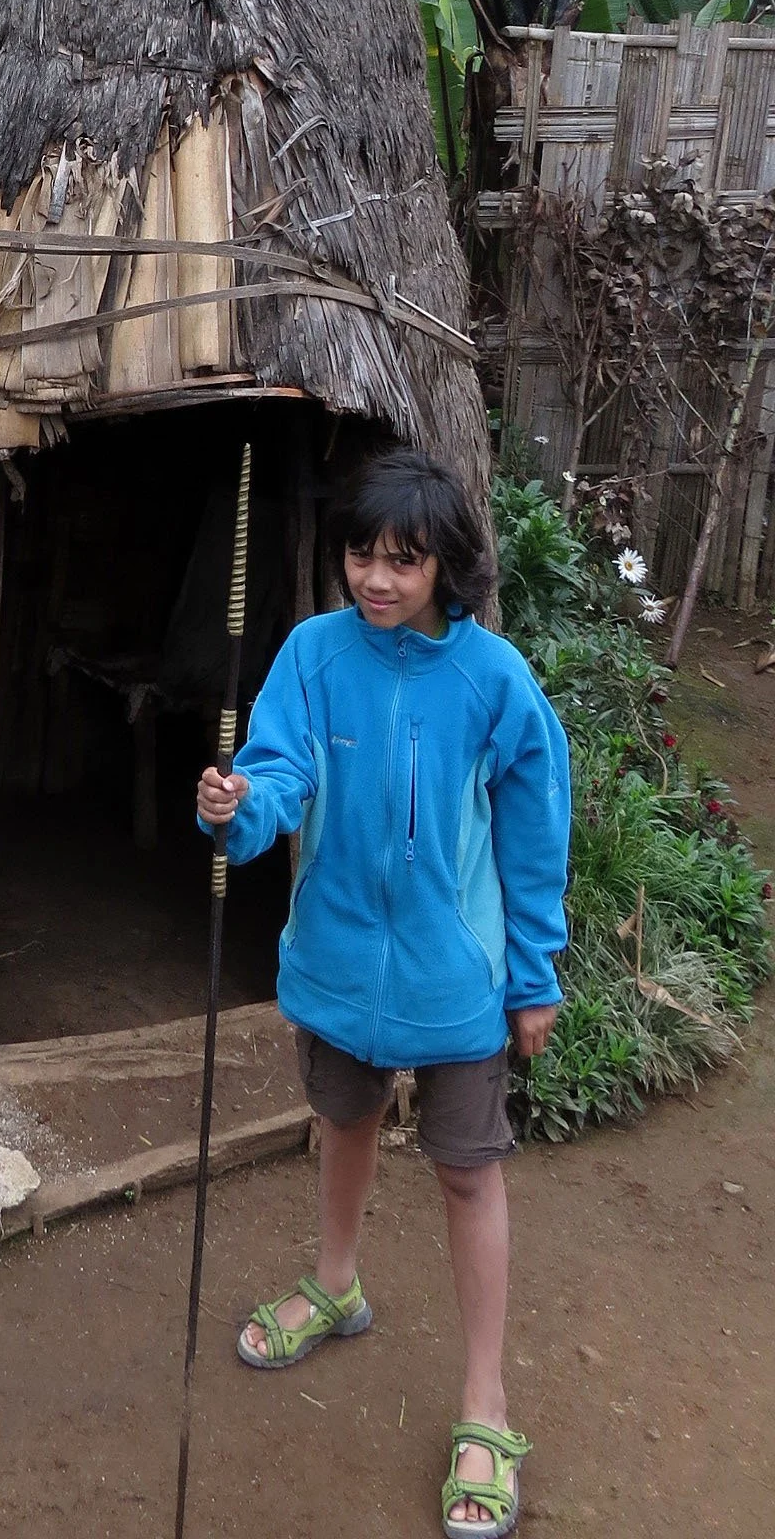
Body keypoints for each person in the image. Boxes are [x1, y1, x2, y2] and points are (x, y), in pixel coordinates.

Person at [196, 449, 570, 1539]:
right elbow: (280, 776)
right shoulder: (314, 654)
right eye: (363, 551)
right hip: (337, 964)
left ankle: (484, 1402)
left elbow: (536, 823)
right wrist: (238, 803)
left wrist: (533, 971)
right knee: (342, 1123)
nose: (377, 576)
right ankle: (337, 1284)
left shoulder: (492, 676)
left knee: (467, 1176)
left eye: (404, 560)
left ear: (447, 564)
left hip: (458, 981)